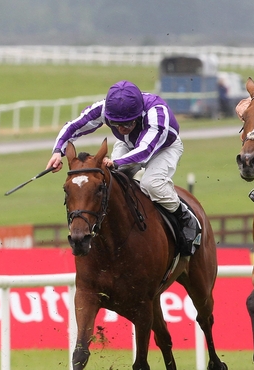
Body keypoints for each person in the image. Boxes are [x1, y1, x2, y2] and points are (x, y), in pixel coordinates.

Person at [46, 80, 201, 256]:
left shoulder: (157, 113)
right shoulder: (104, 108)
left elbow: (145, 150)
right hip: (130, 145)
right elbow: (74, 126)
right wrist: (58, 151)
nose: (121, 128)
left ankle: (185, 217)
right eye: (116, 124)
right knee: (113, 182)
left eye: (128, 124)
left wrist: (116, 162)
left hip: (164, 148)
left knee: (151, 184)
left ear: (138, 114)